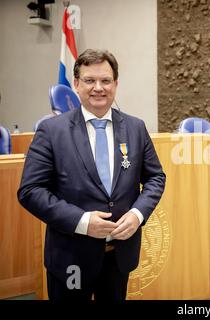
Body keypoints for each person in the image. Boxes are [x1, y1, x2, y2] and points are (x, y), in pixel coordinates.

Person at [17, 49, 166, 301]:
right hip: (71, 258)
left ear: (116, 84)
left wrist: (137, 214)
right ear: (76, 84)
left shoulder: (136, 128)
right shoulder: (51, 131)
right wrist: (82, 221)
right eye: (89, 80)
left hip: (119, 256)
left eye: (105, 81)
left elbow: (155, 178)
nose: (98, 88)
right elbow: (31, 191)